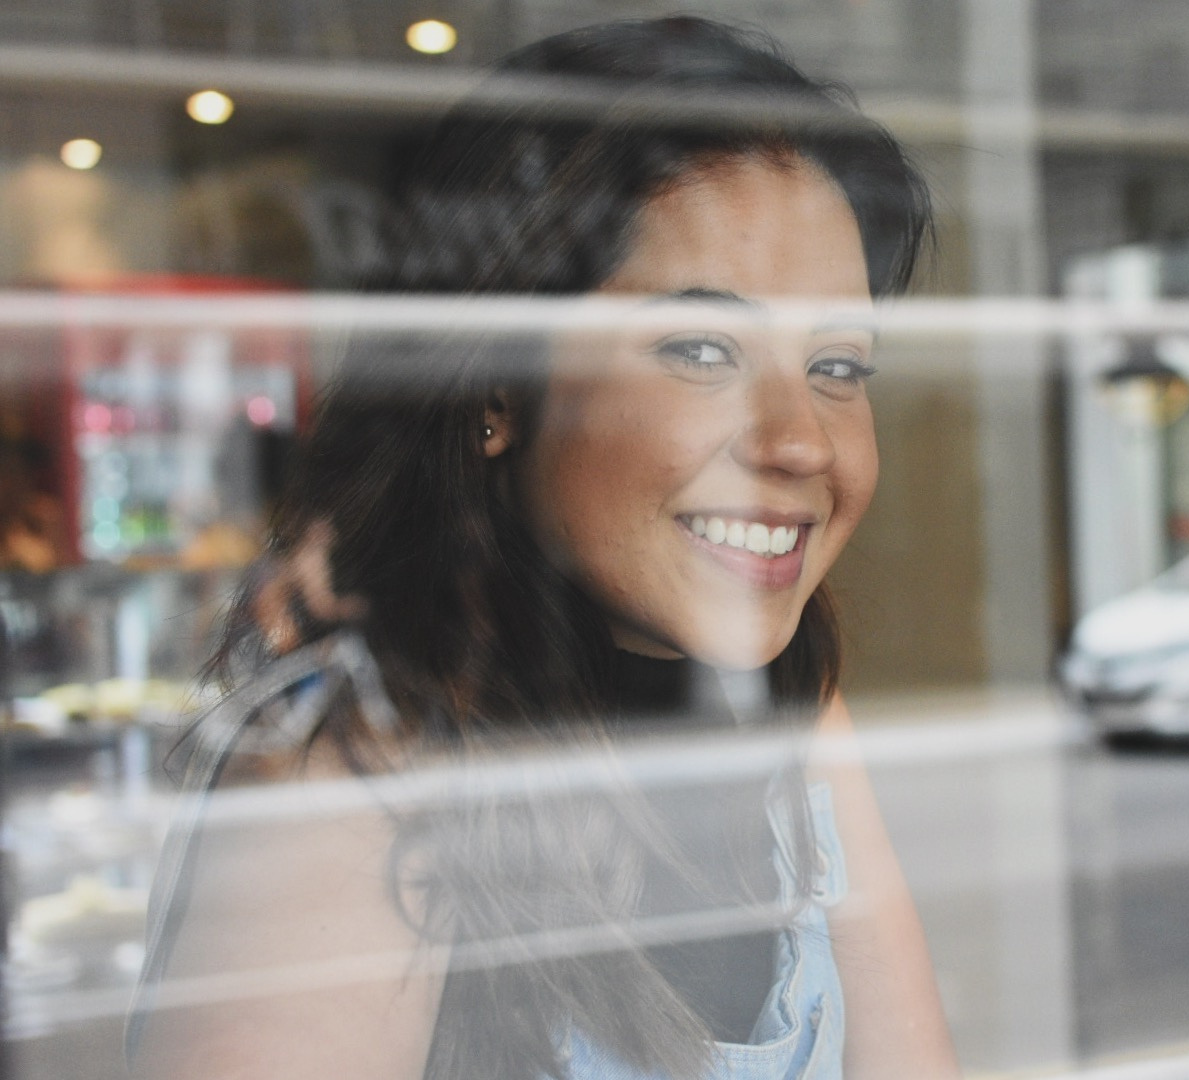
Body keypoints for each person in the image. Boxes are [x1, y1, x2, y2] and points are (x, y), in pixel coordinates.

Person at [126, 17, 957, 1080]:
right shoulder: (355, 768)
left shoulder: (793, 700)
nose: (802, 441)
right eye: (703, 349)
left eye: (839, 367)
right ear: (496, 389)